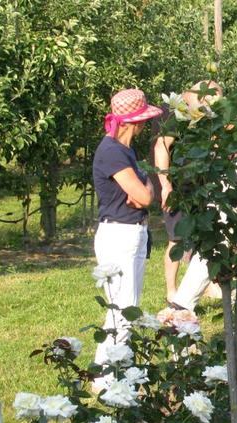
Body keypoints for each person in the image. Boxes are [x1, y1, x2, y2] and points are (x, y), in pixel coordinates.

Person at [92, 89, 162, 367]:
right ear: (134, 122)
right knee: (122, 310)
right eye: (143, 120)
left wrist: (144, 190)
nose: (145, 125)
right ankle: (111, 375)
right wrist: (145, 190)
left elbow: (143, 195)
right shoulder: (112, 152)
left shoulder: (125, 150)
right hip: (119, 235)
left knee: (124, 307)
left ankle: (108, 371)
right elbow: (145, 197)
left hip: (131, 231)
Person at [153, 81, 222, 311]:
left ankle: (208, 284)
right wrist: (165, 184)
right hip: (178, 187)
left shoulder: (204, 117)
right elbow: (161, 148)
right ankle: (171, 290)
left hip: (201, 185)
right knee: (177, 238)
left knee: (206, 234)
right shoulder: (179, 115)